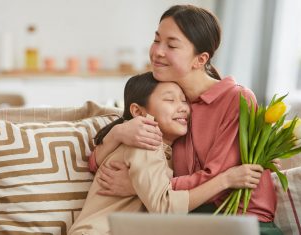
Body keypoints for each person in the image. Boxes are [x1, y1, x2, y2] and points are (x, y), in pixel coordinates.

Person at [88, 5, 282, 235]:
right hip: (188, 214)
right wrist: (117, 133)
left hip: (239, 218)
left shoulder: (236, 99)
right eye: (156, 39)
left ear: (200, 59)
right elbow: (96, 164)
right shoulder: (167, 98)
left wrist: (141, 187)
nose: (157, 52)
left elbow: (218, 179)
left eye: (171, 45)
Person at [68, 72, 263, 235]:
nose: (183, 108)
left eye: (184, 100)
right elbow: (165, 207)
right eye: (170, 99)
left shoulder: (170, 149)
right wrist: (226, 180)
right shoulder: (145, 140)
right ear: (138, 111)